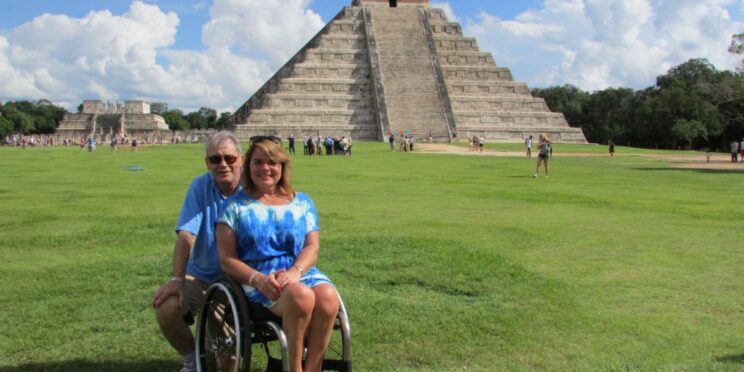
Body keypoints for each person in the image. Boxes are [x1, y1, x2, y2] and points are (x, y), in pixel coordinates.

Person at [216, 137, 339, 372]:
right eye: (258, 162)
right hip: (259, 278)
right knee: (302, 297)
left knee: (328, 298)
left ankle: (313, 368)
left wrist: (295, 272)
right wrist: (259, 280)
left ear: (282, 166)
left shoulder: (302, 202)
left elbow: (311, 247)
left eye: (272, 162)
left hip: (300, 271)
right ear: (248, 166)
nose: (265, 168)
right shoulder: (233, 207)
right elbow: (227, 260)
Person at [152, 131, 244, 372]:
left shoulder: (253, 188)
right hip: (203, 276)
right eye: (215, 159)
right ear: (207, 163)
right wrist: (177, 278)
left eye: (229, 158)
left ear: (240, 159)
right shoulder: (200, 186)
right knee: (167, 307)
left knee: (227, 365)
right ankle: (193, 359)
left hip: (240, 281)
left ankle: (212, 348)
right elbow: (186, 235)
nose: (222, 164)